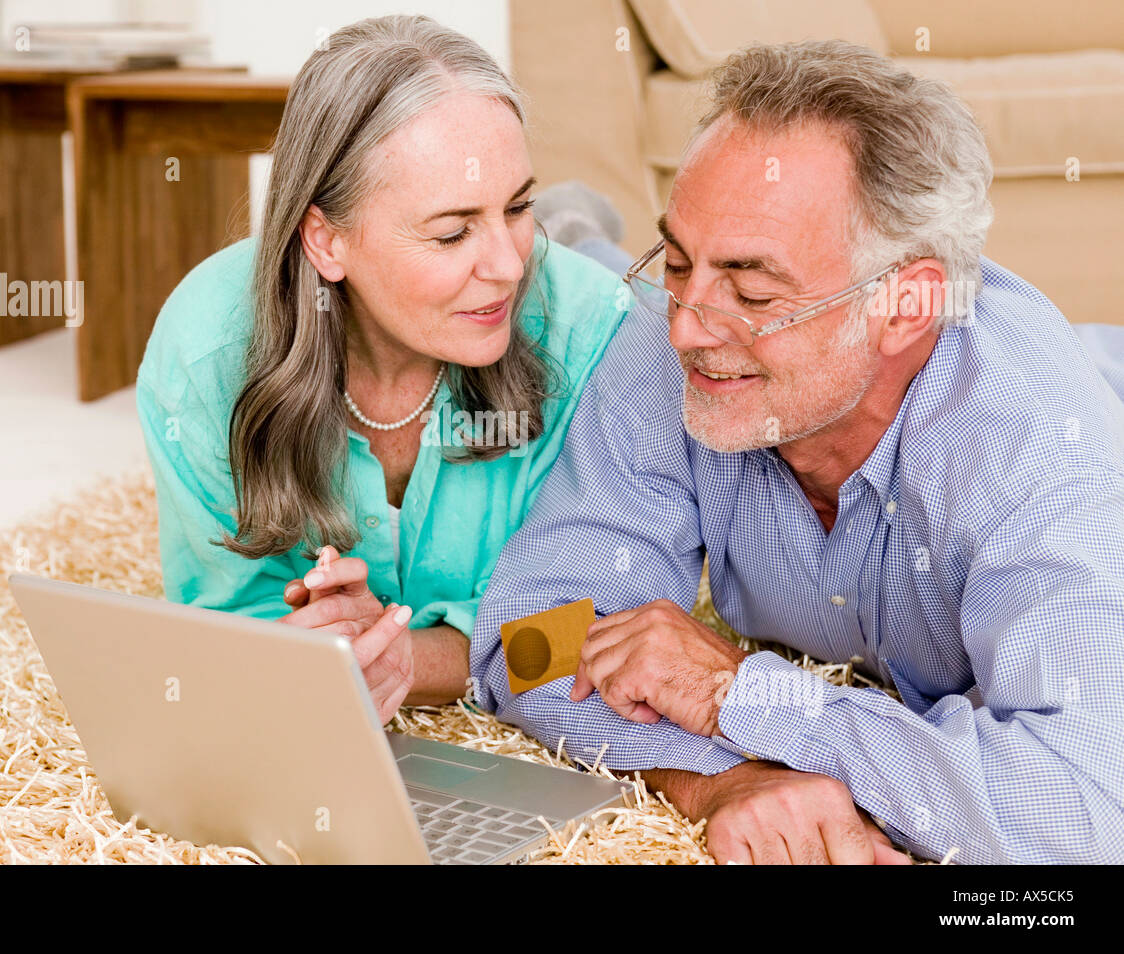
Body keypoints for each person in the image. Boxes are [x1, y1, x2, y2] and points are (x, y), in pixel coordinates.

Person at [470, 40, 1124, 864]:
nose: (686, 326)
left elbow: (1087, 809)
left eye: (753, 293)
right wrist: (720, 780)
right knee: (595, 283)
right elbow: (527, 641)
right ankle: (580, 227)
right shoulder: (663, 331)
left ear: (904, 306)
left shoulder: (1038, 443)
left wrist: (744, 694)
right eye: (677, 261)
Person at [134, 15, 629, 726]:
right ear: (327, 240)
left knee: (639, 295)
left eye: (517, 206)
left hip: (612, 287)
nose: (510, 265)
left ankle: (574, 224)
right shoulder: (203, 356)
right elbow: (232, 613)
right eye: (453, 231)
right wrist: (311, 644)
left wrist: (408, 658)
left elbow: (606, 623)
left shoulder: (597, 332)